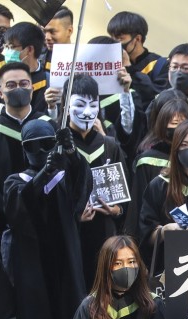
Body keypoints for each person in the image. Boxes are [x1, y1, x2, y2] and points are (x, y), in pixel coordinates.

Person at [3, 120, 92, 319]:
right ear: (23, 149)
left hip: (64, 264)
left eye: (47, 144)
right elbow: (21, 208)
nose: (41, 150)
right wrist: (45, 172)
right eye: (34, 146)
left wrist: (72, 154)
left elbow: (82, 188)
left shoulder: (64, 177)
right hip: (33, 268)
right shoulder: (14, 181)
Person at [0, 61, 52, 235]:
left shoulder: (48, 127)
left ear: (32, 89)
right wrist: (7, 218)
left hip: (50, 221)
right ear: (0, 93)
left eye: (24, 84)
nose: (18, 88)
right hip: (8, 227)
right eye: (11, 85)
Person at [65, 73, 129, 287]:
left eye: (93, 105)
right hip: (71, 240)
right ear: (66, 104)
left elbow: (125, 202)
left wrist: (116, 211)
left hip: (105, 236)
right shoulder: (58, 148)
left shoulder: (110, 145)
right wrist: (73, 216)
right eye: (80, 104)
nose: (87, 112)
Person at [139, 118, 188, 271]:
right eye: (184, 145)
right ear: (175, 148)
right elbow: (146, 234)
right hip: (170, 267)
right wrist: (165, 230)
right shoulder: (159, 185)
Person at [127, 97, 188, 238]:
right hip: (159, 239)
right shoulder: (148, 161)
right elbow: (138, 211)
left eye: (183, 123)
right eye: (174, 123)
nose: (179, 129)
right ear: (162, 125)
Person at [107, 11, 168, 110]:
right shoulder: (111, 64)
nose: (114, 43)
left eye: (119, 39)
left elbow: (154, 95)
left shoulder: (160, 64)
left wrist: (128, 67)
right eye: (112, 38)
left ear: (137, 39)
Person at [0, 22, 48, 113]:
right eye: (6, 46)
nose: (7, 52)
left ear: (29, 49)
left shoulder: (47, 81)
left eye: (12, 47)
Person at [42, 7, 73, 71]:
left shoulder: (81, 58)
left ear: (69, 31)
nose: (47, 37)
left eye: (52, 32)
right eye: (44, 31)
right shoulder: (37, 56)